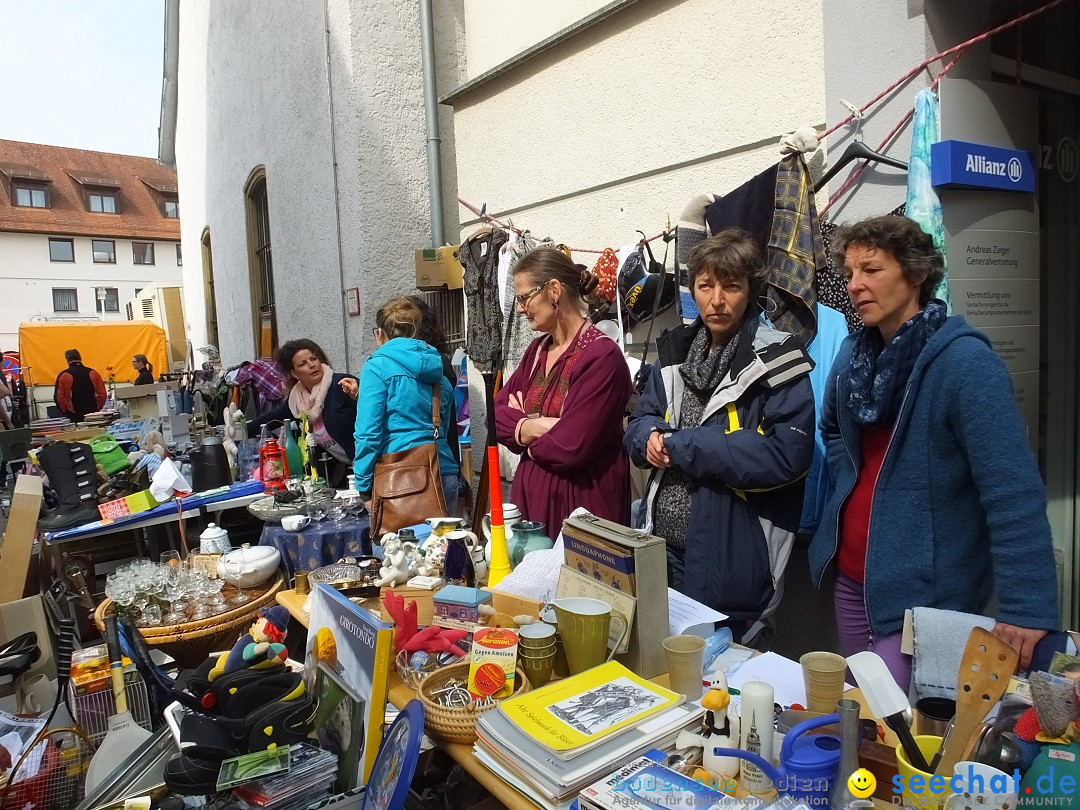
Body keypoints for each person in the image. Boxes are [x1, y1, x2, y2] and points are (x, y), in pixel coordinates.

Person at [809, 215, 1058, 685]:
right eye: (849, 273)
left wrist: (1027, 606)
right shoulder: (852, 356)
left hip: (924, 594)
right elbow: (835, 429)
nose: (856, 285)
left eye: (872, 270)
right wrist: (852, 479)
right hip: (851, 578)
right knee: (867, 720)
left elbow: (1012, 492)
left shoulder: (965, 365)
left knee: (906, 727)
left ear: (917, 274)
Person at [624, 229, 815, 647]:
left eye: (731, 286)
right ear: (693, 289)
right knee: (663, 667)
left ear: (751, 291)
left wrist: (682, 444)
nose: (717, 299)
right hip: (661, 546)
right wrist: (648, 437)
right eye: (706, 285)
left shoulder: (777, 359)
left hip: (731, 556)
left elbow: (788, 455)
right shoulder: (675, 353)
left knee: (727, 686)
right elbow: (641, 417)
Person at [494, 247, 633, 534]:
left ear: (554, 290)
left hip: (582, 513)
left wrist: (520, 429)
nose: (519, 308)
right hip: (532, 508)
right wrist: (531, 426)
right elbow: (494, 417)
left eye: (524, 297)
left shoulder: (602, 356)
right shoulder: (536, 352)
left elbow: (571, 447)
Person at [354, 297, 460, 512]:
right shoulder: (437, 371)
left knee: (394, 545)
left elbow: (368, 433)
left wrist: (363, 485)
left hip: (399, 476)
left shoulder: (377, 368)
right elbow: (444, 427)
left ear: (380, 333)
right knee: (443, 545)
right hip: (443, 471)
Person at [247, 339, 359, 487]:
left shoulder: (342, 384)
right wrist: (236, 433)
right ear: (294, 373)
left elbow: (373, 406)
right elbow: (268, 420)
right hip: (350, 472)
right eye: (303, 364)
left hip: (375, 461)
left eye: (313, 359)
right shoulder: (296, 402)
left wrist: (358, 395)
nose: (312, 365)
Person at [54, 349, 107, 422]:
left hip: (74, 415)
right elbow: (102, 394)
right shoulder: (93, 373)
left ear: (67, 360)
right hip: (93, 414)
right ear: (80, 358)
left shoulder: (64, 375)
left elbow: (59, 397)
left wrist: (65, 411)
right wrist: (98, 408)